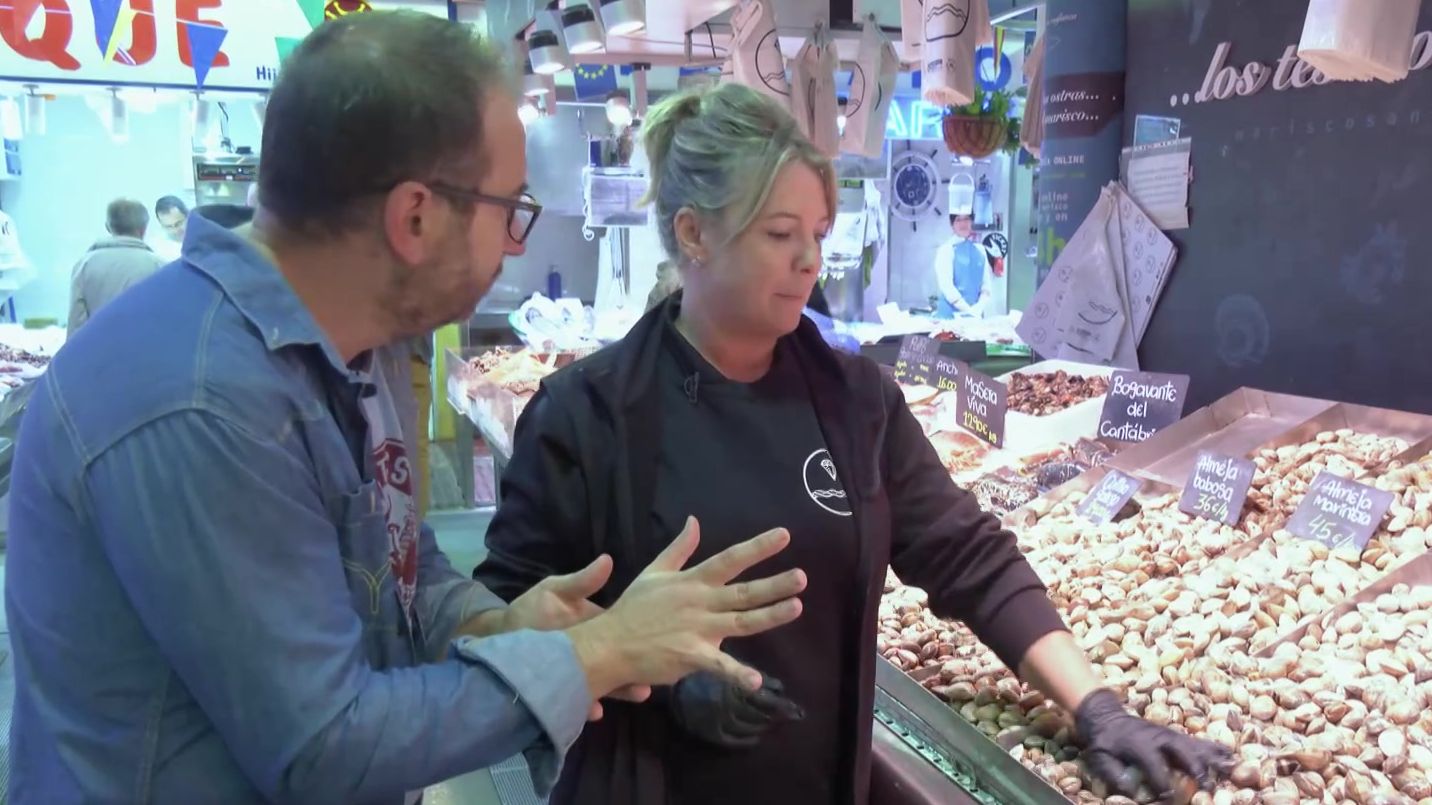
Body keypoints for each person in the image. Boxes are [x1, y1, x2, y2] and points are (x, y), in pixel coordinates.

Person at [7, 13, 807, 804]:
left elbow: (398, 561)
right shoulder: (202, 398)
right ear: (415, 217)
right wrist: (598, 651)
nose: (515, 244)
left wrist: (498, 624)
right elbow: (323, 745)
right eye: (510, 209)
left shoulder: (362, 348)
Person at [473, 83, 1232, 805]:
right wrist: (644, 675)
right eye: (780, 234)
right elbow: (503, 624)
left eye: (818, 234)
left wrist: (1097, 705)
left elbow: (968, 554)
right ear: (693, 233)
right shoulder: (586, 415)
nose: (810, 260)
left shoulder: (856, 402)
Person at [67, 198, 166, 335]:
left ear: (108, 227)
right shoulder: (159, 267)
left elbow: (76, 325)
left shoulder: (84, 265)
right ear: (143, 229)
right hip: (145, 347)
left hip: (99, 347)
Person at [934, 211, 992, 318]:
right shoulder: (946, 250)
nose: (963, 223)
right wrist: (969, 310)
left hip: (975, 316)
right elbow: (947, 287)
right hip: (949, 317)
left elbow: (986, 287)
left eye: (966, 219)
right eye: (958, 220)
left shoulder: (980, 250)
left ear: (972, 221)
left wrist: (978, 308)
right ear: (952, 225)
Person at [153, 194, 189, 261]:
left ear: (188, 216)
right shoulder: (158, 248)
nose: (175, 230)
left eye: (178, 224)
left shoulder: (203, 235)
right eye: (169, 227)